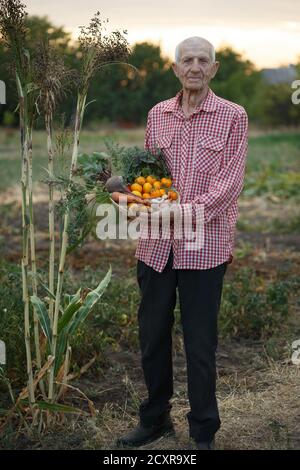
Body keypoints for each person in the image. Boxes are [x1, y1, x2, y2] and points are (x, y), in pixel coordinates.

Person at [115, 36, 248, 450]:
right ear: (175, 69)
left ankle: (203, 430)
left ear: (214, 68)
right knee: (152, 337)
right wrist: (128, 199)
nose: (194, 66)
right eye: (186, 60)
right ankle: (155, 420)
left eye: (202, 60)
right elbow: (148, 174)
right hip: (155, 246)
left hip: (203, 247)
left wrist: (176, 213)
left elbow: (228, 187)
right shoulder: (158, 115)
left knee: (200, 344)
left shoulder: (232, 116)